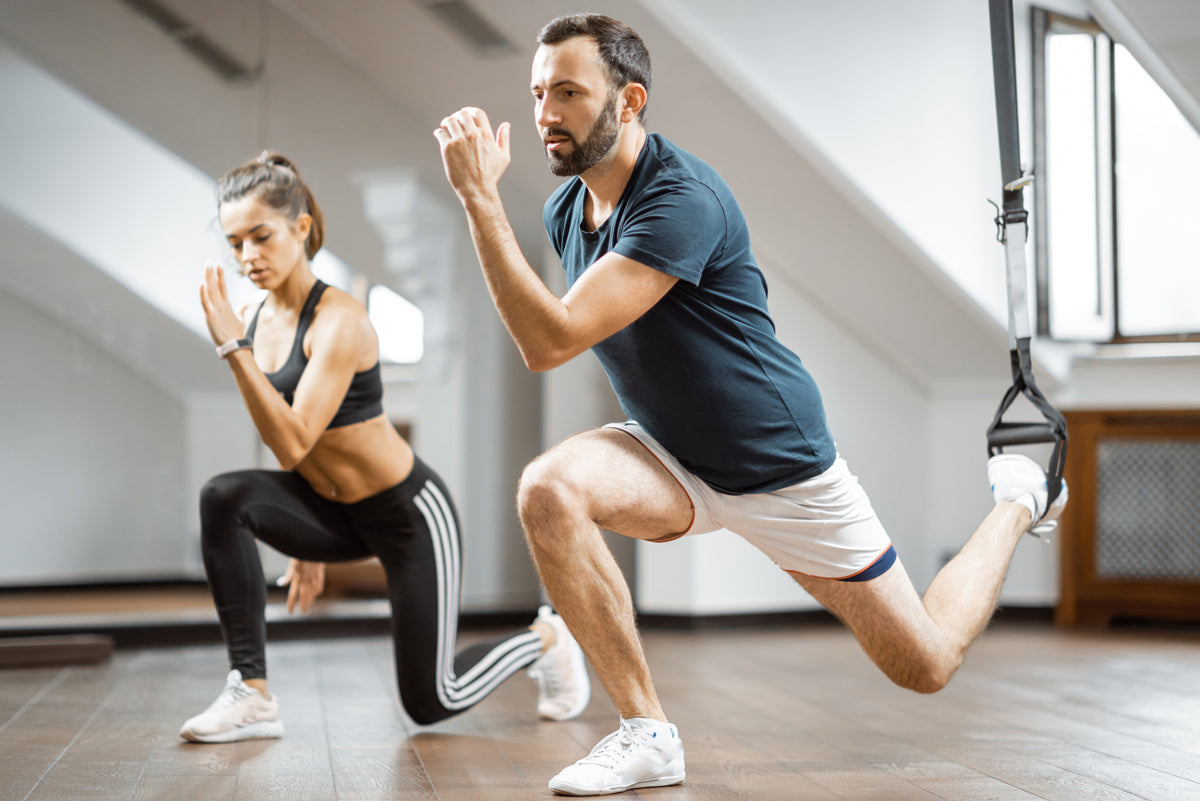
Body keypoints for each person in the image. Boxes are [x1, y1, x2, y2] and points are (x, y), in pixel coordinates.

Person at [433, 12, 1068, 797]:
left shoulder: (681, 198)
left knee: (928, 662)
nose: (544, 114)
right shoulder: (567, 210)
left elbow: (550, 339)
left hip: (779, 464)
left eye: (568, 91)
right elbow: (563, 335)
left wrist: (477, 200)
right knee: (547, 487)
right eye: (536, 93)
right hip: (668, 453)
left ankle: (1017, 498)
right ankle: (648, 734)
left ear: (628, 102)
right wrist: (487, 205)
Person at [180, 151, 590, 744]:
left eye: (261, 237)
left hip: (407, 516)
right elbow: (285, 435)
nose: (247, 258)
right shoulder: (254, 317)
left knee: (432, 700)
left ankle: (547, 640)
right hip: (330, 509)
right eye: (235, 242)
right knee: (225, 497)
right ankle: (252, 694)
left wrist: (232, 349)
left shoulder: (339, 321)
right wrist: (298, 538)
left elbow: (293, 439)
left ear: (300, 228)